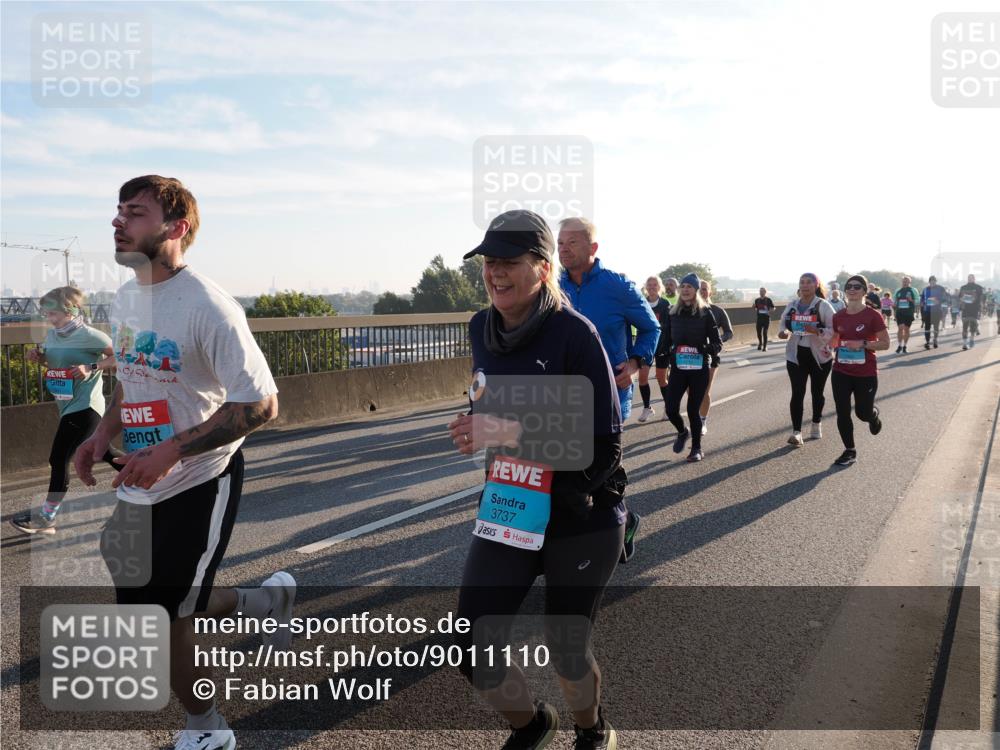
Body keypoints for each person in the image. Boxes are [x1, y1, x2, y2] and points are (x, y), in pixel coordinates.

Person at [74, 176, 292, 750]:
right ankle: (263, 602)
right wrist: (101, 435)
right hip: (139, 478)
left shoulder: (209, 306)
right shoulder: (125, 298)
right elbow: (134, 378)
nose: (118, 222)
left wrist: (173, 449)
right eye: (118, 211)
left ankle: (208, 729)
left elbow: (261, 403)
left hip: (200, 479)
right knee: (151, 596)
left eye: (135, 213)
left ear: (176, 228)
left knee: (163, 620)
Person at [450, 209, 624, 750]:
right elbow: (493, 399)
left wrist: (505, 427)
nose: (495, 273)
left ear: (543, 269)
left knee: (566, 646)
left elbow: (605, 445)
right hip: (511, 503)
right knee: (468, 645)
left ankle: (592, 730)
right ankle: (532, 725)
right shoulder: (482, 327)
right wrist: (475, 423)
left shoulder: (575, 333)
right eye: (488, 263)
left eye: (508, 262)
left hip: (581, 510)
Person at [10, 286, 119, 535]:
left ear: (71, 310)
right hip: (66, 404)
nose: (49, 318)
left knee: (58, 458)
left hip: (86, 405)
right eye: (46, 313)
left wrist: (91, 366)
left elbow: (119, 358)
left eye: (53, 313)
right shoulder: (53, 337)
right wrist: (39, 358)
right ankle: (154, 488)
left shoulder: (92, 336)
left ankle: (46, 518)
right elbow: (57, 363)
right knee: (105, 452)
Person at [557, 218, 659, 426]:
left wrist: (634, 363)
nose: (563, 249)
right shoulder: (549, 288)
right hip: (562, 399)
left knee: (604, 459)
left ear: (593, 247)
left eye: (572, 242)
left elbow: (651, 328)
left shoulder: (619, 287)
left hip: (608, 397)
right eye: (560, 243)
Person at [829, 274, 890, 466]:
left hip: (865, 373)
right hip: (841, 371)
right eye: (849, 286)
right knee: (842, 412)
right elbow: (835, 339)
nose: (852, 289)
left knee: (862, 413)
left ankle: (872, 416)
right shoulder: (838, 316)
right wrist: (828, 343)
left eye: (857, 286)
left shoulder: (873, 316)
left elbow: (885, 344)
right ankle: (850, 450)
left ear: (864, 291)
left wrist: (863, 344)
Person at [661, 274, 722, 462]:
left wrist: (705, 349)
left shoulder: (705, 313)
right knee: (671, 409)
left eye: (689, 286)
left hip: (698, 368)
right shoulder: (672, 313)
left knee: (693, 409)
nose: (686, 289)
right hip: (678, 367)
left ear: (696, 290)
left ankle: (696, 448)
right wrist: (663, 354)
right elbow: (665, 340)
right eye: (683, 286)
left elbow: (717, 343)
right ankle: (682, 431)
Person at [777, 273, 835, 446]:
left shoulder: (823, 306)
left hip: (819, 357)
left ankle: (816, 423)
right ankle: (797, 432)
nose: (805, 285)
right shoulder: (792, 305)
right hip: (795, 356)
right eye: (802, 282)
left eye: (809, 282)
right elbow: (783, 323)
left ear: (816, 285)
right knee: (797, 393)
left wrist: (816, 331)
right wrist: (783, 332)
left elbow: (835, 331)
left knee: (817, 393)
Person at [698, 280, 733, 435]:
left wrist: (717, 341)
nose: (702, 292)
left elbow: (729, 332)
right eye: (699, 289)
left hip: (711, 355)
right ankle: (695, 418)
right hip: (690, 357)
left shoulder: (717, 311)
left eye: (705, 289)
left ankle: (702, 421)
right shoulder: (686, 310)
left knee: (705, 389)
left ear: (710, 292)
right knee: (692, 392)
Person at [636, 276, 671, 423]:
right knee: (642, 377)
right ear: (645, 287)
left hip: (662, 344)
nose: (651, 287)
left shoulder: (665, 304)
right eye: (649, 285)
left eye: (654, 284)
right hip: (645, 344)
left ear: (659, 287)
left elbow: (669, 327)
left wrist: (669, 344)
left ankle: (669, 408)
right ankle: (647, 408)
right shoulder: (641, 302)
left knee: (661, 378)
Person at [892, 276, 919, 354]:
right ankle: (900, 345)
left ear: (910, 282)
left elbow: (918, 301)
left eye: (907, 281)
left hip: (909, 312)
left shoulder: (913, 290)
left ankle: (905, 346)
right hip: (899, 312)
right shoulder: (898, 290)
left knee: (906, 329)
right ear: (902, 281)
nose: (905, 282)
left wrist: (911, 300)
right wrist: (894, 304)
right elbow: (895, 300)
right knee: (900, 328)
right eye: (904, 281)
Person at [958, 274, 985, 350]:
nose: (970, 279)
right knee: (965, 326)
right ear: (967, 279)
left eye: (971, 278)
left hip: (974, 309)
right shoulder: (963, 287)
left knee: (973, 326)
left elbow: (981, 298)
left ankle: (972, 339)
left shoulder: (978, 287)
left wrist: (981, 308)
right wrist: (962, 299)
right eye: (969, 278)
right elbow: (959, 297)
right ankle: (964, 344)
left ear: (974, 279)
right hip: (965, 309)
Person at [920, 275, 947, 349]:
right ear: (929, 282)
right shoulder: (925, 289)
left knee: (936, 327)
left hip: (937, 311)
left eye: (934, 281)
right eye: (931, 281)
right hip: (927, 311)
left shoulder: (941, 288)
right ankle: (927, 342)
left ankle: (935, 340)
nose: (932, 282)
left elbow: (945, 298)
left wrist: (938, 301)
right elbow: (922, 298)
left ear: (936, 281)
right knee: (927, 327)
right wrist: (922, 302)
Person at [752, 286, 775, 350]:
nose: (761, 292)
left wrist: (771, 310)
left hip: (766, 319)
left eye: (762, 291)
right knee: (758, 333)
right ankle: (760, 343)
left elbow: (773, 307)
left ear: (765, 292)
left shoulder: (768, 300)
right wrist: (753, 307)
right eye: (760, 291)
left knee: (765, 332)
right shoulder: (757, 300)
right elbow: (755, 308)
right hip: (759, 318)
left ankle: (765, 346)